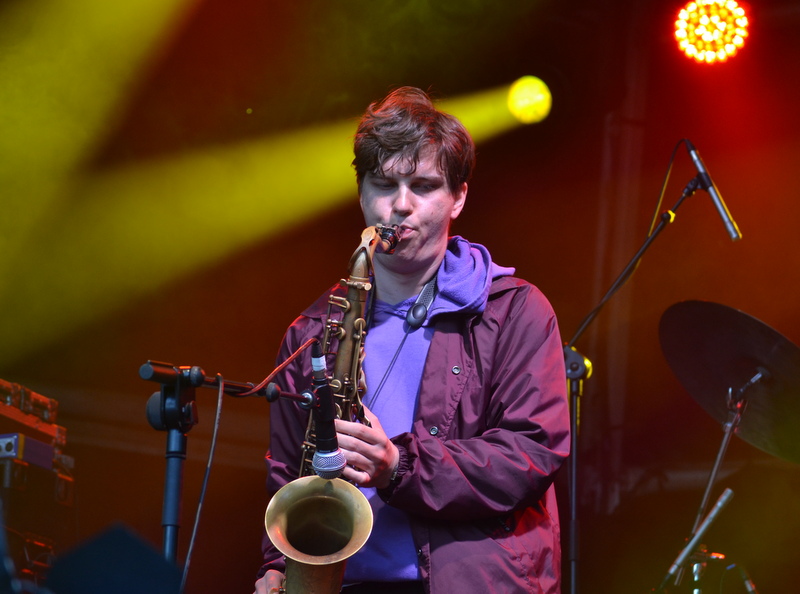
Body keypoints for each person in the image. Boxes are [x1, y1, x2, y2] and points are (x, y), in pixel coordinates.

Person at [255, 87, 570, 594]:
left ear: (459, 197)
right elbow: (290, 472)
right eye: (384, 184)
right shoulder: (311, 330)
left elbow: (529, 454)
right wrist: (276, 564)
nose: (400, 205)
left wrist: (398, 467)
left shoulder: (515, 311)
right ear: (362, 193)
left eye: (423, 186)